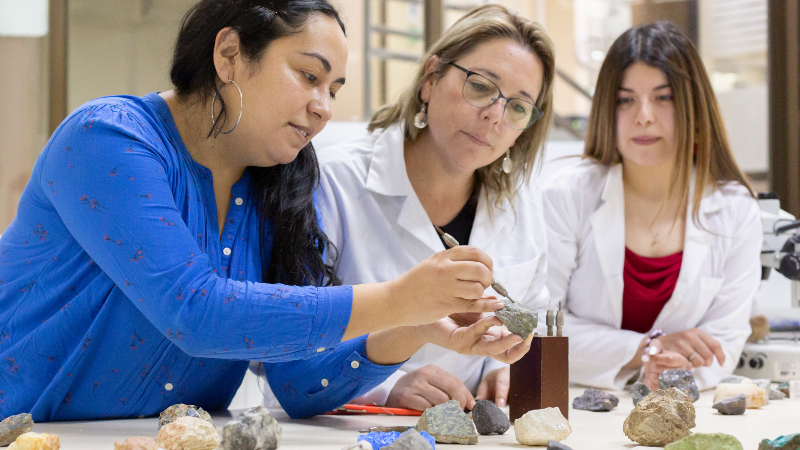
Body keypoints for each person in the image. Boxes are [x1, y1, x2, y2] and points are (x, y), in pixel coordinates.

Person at [0, 0, 530, 422]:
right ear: (229, 54)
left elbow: (299, 384)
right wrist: (397, 298)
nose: (324, 106)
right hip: (28, 432)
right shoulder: (108, 138)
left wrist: (418, 325)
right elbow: (196, 312)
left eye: (334, 89)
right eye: (308, 76)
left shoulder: (282, 184)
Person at [289, 5, 554, 411]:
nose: (495, 116)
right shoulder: (332, 184)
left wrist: (517, 368)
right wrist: (387, 384)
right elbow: (281, 352)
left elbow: (540, 315)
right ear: (431, 79)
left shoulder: (522, 205)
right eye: (481, 86)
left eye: (518, 107)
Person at [541, 21, 761, 391]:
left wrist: (676, 368)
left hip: (684, 407)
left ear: (695, 107)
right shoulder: (566, 195)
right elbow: (537, 327)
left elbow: (725, 337)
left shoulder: (736, 211)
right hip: (574, 404)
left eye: (664, 97)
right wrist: (646, 349)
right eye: (625, 100)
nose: (643, 115)